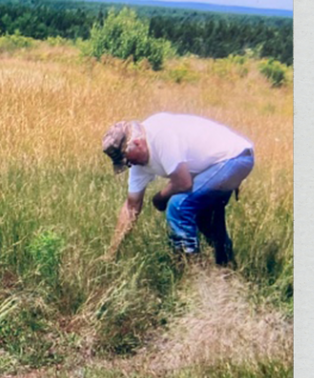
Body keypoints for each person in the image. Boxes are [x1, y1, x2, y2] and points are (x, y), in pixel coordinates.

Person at [102, 113, 255, 265]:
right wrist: (111, 253)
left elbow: (183, 182)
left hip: (235, 158)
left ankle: (192, 274)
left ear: (137, 143)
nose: (130, 164)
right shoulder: (137, 162)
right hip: (220, 165)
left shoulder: (160, 135)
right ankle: (227, 270)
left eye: (127, 160)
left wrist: (160, 198)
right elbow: (131, 207)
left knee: (178, 205)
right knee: (206, 218)